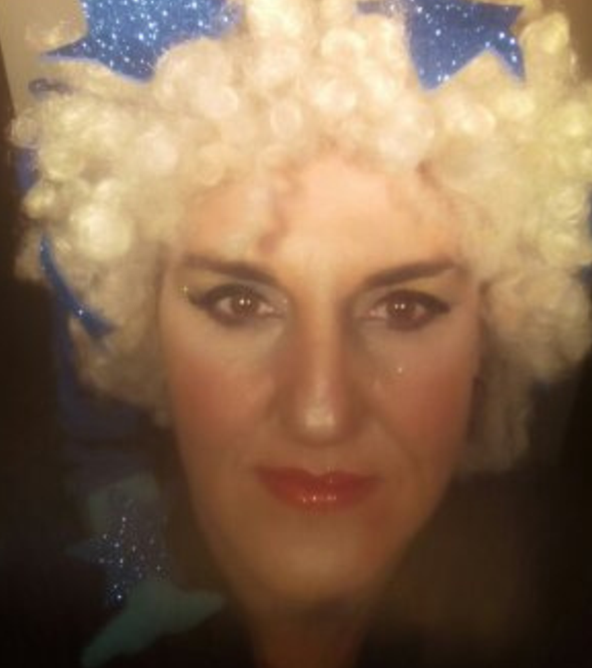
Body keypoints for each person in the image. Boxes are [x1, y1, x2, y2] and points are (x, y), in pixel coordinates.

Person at [9, 0, 592, 666]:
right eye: (238, 302)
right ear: (147, 322)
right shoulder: (40, 599)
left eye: (405, 308)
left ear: (489, 339)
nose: (320, 413)